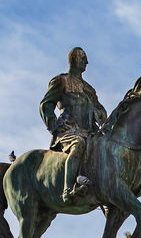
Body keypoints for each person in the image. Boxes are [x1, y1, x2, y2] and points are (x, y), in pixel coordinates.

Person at [39, 46, 107, 201]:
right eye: (83, 58)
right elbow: (46, 105)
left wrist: (100, 114)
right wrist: (54, 127)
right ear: (74, 59)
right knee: (78, 145)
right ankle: (68, 189)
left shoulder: (89, 89)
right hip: (68, 131)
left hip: (89, 132)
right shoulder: (61, 81)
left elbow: (100, 109)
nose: (87, 62)